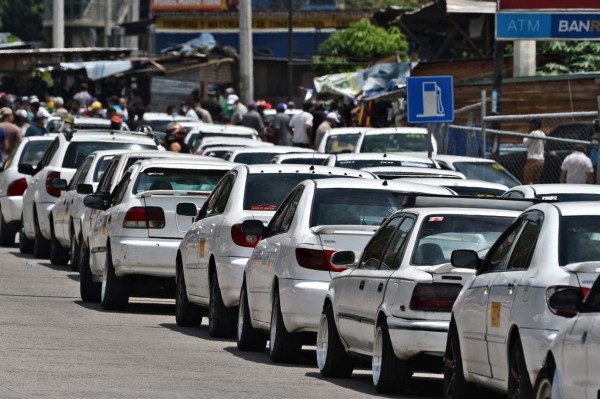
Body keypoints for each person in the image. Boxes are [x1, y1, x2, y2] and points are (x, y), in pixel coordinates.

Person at [522, 118, 546, 184]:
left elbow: (525, 144)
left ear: (535, 125)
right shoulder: (542, 133)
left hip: (532, 159)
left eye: (531, 124)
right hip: (541, 159)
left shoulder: (533, 133)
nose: (530, 125)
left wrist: (527, 134)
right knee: (535, 181)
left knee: (527, 180)